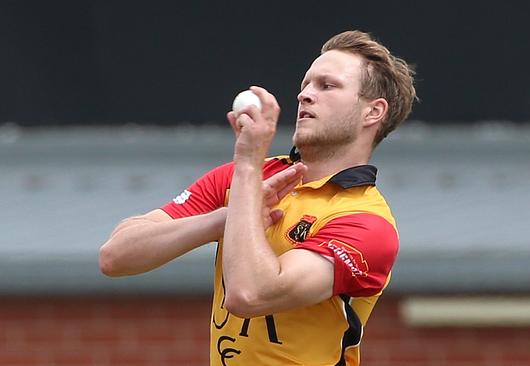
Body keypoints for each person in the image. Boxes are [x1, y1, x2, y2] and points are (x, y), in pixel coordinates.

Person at [99, 30, 417, 366]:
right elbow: (116, 256)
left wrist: (248, 167)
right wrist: (227, 217)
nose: (305, 95)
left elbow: (249, 294)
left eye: (327, 86)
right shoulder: (242, 181)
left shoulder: (366, 223)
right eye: (305, 84)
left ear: (373, 112)